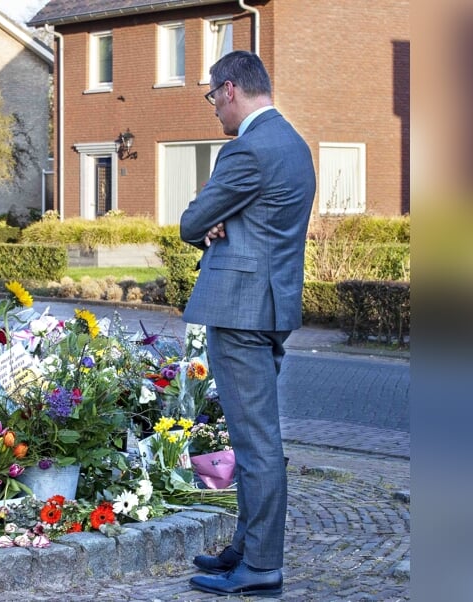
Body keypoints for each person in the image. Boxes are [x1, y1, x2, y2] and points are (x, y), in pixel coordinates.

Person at [179, 50, 315, 597]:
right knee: (254, 436)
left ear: (231, 89)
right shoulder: (294, 144)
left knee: (254, 442)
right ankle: (248, 545)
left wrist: (212, 222)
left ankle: (261, 566)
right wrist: (225, 220)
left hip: (239, 311)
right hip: (271, 306)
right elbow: (261, 222)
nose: (213, 108)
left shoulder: (248, 151)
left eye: (213, 97)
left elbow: (192, 220)